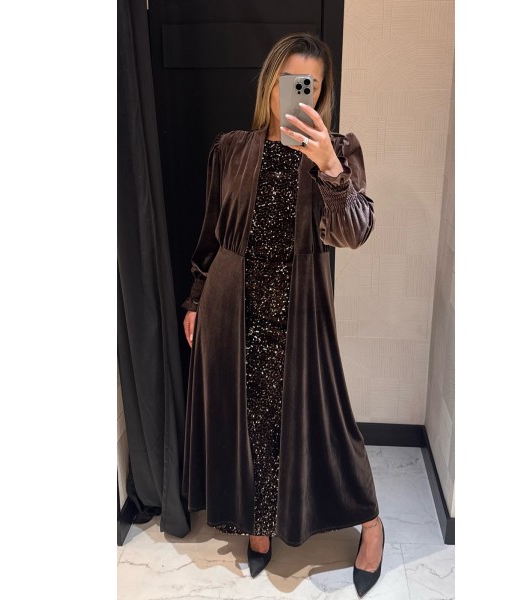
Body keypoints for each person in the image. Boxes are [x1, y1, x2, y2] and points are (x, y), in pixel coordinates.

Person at [181, 32, 384, 597]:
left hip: (300, 311)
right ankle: (260, 524)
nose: (298, 94)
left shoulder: (337, 150)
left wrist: (330, 168)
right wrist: (196, 298)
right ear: (270, 83)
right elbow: (211, 234)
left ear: (320, 93)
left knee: (326, 423)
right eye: (289, 81)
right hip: (232, 306)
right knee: (248, 421)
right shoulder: (231, 149)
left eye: (310, 85)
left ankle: (370, 523)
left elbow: (355, 232)